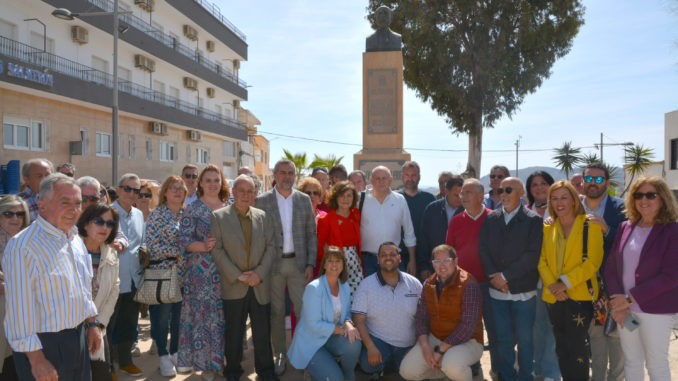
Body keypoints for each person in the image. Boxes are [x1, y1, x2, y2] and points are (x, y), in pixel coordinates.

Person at [3, 174, 101, 380]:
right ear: (42, 205)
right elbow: (19, 312)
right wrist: (36, 360)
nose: (74, 209)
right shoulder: (23, 246)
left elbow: (83, 287)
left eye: (78, 203)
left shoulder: (74, 237)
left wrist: (91, 323)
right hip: (43, 346)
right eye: (65, 202)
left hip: (78, 338)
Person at [605, 176, 678, 381]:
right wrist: (618, 301)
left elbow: (672, 275)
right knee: (632, 360)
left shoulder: (673, 230)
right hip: (625, 310)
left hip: (656, 311)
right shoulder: (625, 227)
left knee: (656, 363)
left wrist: (629, 298)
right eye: (638, 195)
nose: (643, 200)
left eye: (650, 195)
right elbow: (611, 266)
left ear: (662, 198)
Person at [211, 175, 278, 381]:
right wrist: (238, 276)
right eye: (242, 191)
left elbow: (271, 247)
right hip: (234, 285)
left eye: (250, 191)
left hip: (259, 285)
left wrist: (258, 273)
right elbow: (217, 250)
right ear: (234, 192)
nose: (246, 195)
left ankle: (266, 372)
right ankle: (232, 372)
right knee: (233, 333)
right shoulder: (218, 217)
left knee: (262, 333)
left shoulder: (263, 216)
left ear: (255, 193)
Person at [255, 160, 317, 376]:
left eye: (291, 173)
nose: (287, 177)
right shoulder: (261, 201)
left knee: (302, 310)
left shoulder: (304, 200)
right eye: (283, 173)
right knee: (277, 312)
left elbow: (311, 234)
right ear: (275, 174)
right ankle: (280, 353)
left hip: (299, 264)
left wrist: (310, 262)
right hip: (273, 265)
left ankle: (302, 354)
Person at [478, 177, 543, 381]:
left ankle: (525, 377)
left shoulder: (533, 220)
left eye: (508, 190)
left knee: (525, 341)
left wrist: (505, 276)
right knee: (502, 339)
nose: (503, 194)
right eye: (500, 191)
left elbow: (532, 255)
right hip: (496, 292)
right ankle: (507, 376)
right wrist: (494, 278)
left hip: (524, 291)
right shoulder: (491, 219)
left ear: (521, 192)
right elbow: (483, 249)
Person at [538, 180, 604, 381]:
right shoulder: (548, 228)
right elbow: (542, 262)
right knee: (561, 348)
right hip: (554, 297)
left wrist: (564, 283)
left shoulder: (590, 224)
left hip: (580, 296)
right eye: (555, 198)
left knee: (578, 351)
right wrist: (554, 286)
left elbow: (593, 262)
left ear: (574, 200)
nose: (559, 203)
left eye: (564, 197)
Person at [399, 244, 484, 381]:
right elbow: (421, 318)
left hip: (469, 341)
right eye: (437, 261)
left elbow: (467, 326)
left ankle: (452, 371)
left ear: (456, 261)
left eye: (447, 260)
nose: (442, 265)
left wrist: (441, 350)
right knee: (407, 371)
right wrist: (425, 347)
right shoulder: (428, 283)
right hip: (436, 338)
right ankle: (447, 373)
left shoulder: (469, 284)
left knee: (452, 365)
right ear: (433, 264)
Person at [176, 165, 229, 379]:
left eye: (216, 180)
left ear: (222, 183)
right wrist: (204, 246)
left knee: (224, 317)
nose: (213, 184)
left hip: (226, 273)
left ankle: (222, 360)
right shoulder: (193, 209)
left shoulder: (229, 207)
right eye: (208, 180)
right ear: (200, 183)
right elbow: (183, 241)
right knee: (203, 320)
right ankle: (206, 365)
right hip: (200, 276)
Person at [446, 178, 497, 376]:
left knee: (494, 328)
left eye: (467, 192)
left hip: (491, 283)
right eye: (461, 193)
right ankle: (473, 365)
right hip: (465, 285)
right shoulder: (456, 221)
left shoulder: (494, 218)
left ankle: (498, 367)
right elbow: (450, 251)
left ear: (480, 195)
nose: (462, 197)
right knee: (470, 329)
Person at [287, 246, 362, 381]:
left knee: (355, 341)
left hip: (331, 338)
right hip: (311, 342)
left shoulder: (344, 285)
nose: (334, 264)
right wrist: (341, 329)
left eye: (338, 261)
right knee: (334, 379)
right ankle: (316, 373)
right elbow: (313, 324)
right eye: (330, 261)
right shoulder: (314, 288)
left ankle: (347, 374)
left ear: (343, 265)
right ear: (325, 264)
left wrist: (348, 323)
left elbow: (347, 312)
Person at [582, 162, 626, 381]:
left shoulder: (622, 208)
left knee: (617, 340)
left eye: (599, 179)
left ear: (607, 183)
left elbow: (629, 243)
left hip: (615, 285)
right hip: (584, 287)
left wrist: (607, 229)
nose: (593, 183)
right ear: (582, 181)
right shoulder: (573, 207)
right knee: (596, 339)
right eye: (589, 178)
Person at [352, 242, 422, 379]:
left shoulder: (414, 284)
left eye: (392, 254)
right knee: (368, 365)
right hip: (379, 342)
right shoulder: (366, 285)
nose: (388, 258)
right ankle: (385, 367)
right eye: (383, 255)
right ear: (377, 260)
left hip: (407, 344)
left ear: (400, 258)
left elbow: (424, 319)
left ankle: (387, 368)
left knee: (414, 368)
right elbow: (358, 320)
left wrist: (417, 347)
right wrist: (370, 347)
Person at [145, 175, 187, 377]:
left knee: (179, 317)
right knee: (161, 318)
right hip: (161, 273)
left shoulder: (186, 214)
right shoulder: (157, 215)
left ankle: (176, 352)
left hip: (183, 276)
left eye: (180, 188)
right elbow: (152, 247)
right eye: (173, 188)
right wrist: (178, 251)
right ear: (165, 193)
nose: (177, 191)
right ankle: (163, 354)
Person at [77, 204, 121, 381]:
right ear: (86, 223)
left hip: (98, 329)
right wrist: (89, 325)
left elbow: (114, 290)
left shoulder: (110, 253)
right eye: (99, 221)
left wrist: (99, 324)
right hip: (71, 330)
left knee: (101, 374)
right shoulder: (70, 249)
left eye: (110, 224)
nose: (105, 227)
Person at [525, 171, 560, 381]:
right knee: (536, 327)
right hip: (529, 280)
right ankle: (537, 369)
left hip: (554, 279)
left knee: (552, 327)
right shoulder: (524, 211)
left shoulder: (561, 210)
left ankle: (551, 372)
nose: (539, 188)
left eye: (544, 183)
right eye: (534, 184)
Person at [111, 173, 145, 376]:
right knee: (108, 326)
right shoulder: (108, 214)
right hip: (113, 280)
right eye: (127, 189)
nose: (132, 193)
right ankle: (107, 368)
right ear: (118, 189)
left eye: (136, 190)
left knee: (129, 324)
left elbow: (140, 246)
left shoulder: (139, 214)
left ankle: (125, 361)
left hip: (134, 280)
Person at [360, 166, 416, 277]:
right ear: (371, 181)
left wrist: (412, 260)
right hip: (367, 261)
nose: (381, 182)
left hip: (393, 260)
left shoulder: (400, 200)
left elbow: (409, 232)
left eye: (384, 178)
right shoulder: (360, 199)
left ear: (390, 180)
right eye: (377, 178)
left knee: (396, 293)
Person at [0, 195, 29, 380]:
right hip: (2, 309)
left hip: (24, 314)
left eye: (19, 214)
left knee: (17, 363)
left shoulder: (30, 241)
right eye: (8, 213)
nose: (15, 218)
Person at [317, 181, 363, 297]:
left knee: (357, 297)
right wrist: (330, 264)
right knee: (338, 298)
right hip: (335, 264)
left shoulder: (356, 215)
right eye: (341, 196)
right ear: (335, 198)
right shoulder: (326, 220)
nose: (345, 199)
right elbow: (319, 247)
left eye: (349, 195)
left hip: (355, 264)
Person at [418, 175, 464, 280]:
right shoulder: (432, 209)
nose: (460, 199)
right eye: (456, 195)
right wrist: (423, 266)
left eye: (462, 195)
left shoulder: (468, 211)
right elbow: (423, 239)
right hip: (434, 268)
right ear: (447, 191)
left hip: (460, 270)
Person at [398, 162, 434, 278]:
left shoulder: (429, 199)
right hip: (400, 256)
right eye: (407, 175)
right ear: (402, 177)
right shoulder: (395, 199)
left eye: (413, 175)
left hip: (425, 257)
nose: (410, 179)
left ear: (419, 177)